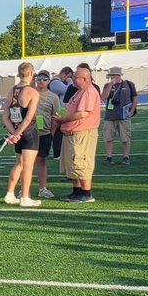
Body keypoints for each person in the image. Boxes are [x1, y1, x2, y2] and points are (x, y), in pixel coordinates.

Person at [0, 62, 42, 207]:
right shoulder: (32, 92)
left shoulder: (11, 91)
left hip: (16, 131)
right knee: (28, 166)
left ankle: (10, 193)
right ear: (31, 74)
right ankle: (24, 197)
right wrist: (18, 133)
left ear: (19, 74)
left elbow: (5, 116)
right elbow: (29, 118)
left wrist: (14, 133)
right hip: (29, 133)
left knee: (19, 164)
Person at [60, 64, 102, 203]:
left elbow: (82, 114)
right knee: (73, 163)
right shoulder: (79, 91)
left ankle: (86, 193)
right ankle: (77, 192)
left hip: (82, 133)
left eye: (75, 77)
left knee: (82, 162)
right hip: (73, 132)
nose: (72, 79)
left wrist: (63, 119)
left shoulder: (89, 91)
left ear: (84, 78)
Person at [100, 66, 137, 166]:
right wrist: (110, 85)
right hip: (110, 116)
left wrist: (131, 111)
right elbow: (103, 97)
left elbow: (134, 99)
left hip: (124, 116)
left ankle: (126, 157)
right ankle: (109, 157)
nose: (110, 77)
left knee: (125, 138)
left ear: (117, 75)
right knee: (109, 138)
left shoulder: (129, 85)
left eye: (112, 76)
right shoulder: (107, 85)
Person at [33, 70, 59, 199]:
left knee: (42, 161)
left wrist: (51, 133)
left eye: (44, 79)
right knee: (25, 162)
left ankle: (42, 188)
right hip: (29, 133)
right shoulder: (29, 93)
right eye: (39, 78)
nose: (41, 81)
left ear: (49, 81)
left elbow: (56, 117)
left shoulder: (53, 97)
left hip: (45, 133)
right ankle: (22, 189)